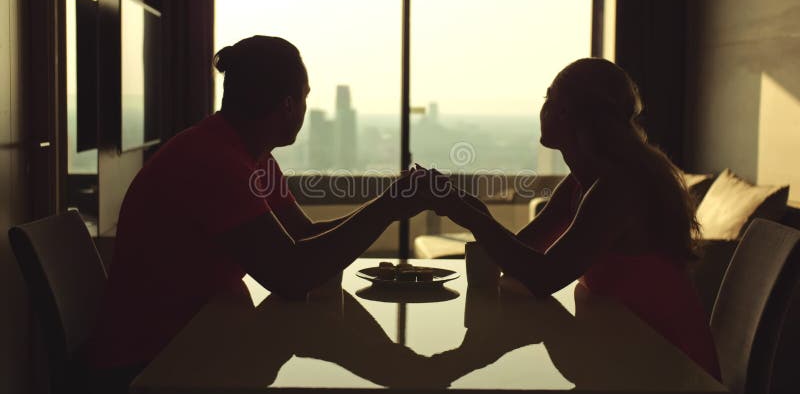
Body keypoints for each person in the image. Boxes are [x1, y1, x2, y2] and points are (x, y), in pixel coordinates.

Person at [86, 36, 436, 392]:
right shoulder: (212, 161)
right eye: (305, 96)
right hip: (154, 366)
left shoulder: (249, 156)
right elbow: (291, 275)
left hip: (204, 344)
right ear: (287, 105)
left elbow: (302, 235)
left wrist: (386, 206)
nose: (304, 107)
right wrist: (387, 208)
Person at [433, 58, 721, 380]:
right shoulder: (582, 182)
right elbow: (523, 250)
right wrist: (462, 204)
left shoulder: (618, 188)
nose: (543, 108)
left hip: (666, 370)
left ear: (567, 113)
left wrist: (466, 214)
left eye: (549, 98)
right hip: (622, 356)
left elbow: (543, 277)